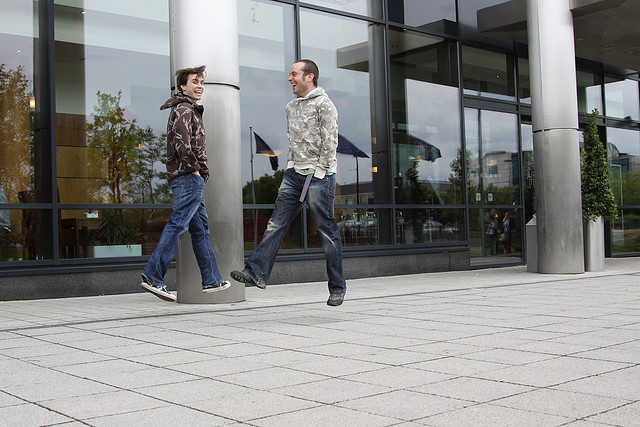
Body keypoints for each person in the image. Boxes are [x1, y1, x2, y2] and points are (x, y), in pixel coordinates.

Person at [231, 59, 347, 306]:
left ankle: (337, 287)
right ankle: (256, 273)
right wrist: (292, 166)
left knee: (326, 232)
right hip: (294, 175)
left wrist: (321, 171)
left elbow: (331, 142)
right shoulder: (291, 107)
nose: (289, 78)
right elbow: (293, 142)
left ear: (309, 77)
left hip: (320, 175)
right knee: (276, 224)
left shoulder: (325, 105)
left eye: (294, 74)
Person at [140, 65, 230, 302]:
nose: (199, 86)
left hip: (190, 177)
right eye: (194, 82)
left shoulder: (189, 109)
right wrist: (196, 170)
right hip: (189, 177)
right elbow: (183, 146)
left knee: (200, 231)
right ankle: (153, 275)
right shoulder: (183, 109)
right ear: (183, 86)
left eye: (201, 82)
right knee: (178, 224)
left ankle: (211, 279)